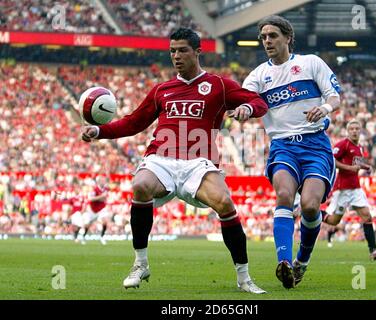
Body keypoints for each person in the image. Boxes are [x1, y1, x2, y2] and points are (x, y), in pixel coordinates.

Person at [81, 28, 268, 294]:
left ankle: (244, 277)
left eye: (182, 50)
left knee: (225, 203)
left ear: (197, 52)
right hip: (162, 159)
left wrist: (247, 108)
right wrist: (100, 131)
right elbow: (133, 123)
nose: (176, 56)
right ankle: (140, 263)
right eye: (172, 51)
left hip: (199, 163)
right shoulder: (162, 90)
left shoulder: (219, 85)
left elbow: (257, 100)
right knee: (141, 185)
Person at [243, 15, 341, 289]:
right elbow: (248, 100)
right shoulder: (258, 75)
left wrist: (325, 108)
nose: (267, 41)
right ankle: (284, 262)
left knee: (310, 206)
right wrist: (244, 109)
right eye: (263, 37)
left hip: (315, 145)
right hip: (283, 146)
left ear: (288, 37)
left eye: (272, 35)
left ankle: (302, 261)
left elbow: (334, 96)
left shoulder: (310, 63)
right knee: (284, 194)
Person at [323, 119, 376, 260]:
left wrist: (366, 167)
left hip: (355, 188)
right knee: (333, 221)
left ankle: (373, 251)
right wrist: (349, 168)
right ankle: (311, 214)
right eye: (351, 129)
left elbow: (356, 163)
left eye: (357, 128)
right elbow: (332, 160)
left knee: (367, 216)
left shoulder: (359, 147)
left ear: (360, 131)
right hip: (342, 189)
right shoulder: (343, 144)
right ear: (348, 131)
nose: (354, 131)